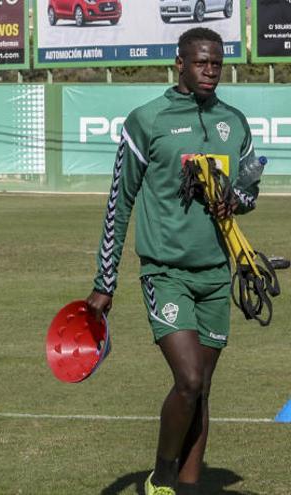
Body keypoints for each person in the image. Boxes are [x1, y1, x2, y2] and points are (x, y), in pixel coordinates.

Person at [86, 28, 264, 495]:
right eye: (202, 63)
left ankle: (186, 489)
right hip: (165, 273)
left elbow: (249, 188)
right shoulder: (147, 120)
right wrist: (105, 281)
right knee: (186, 379)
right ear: (179, 63)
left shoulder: (234, 121)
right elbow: (118, 202)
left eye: (218, 64)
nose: (211, 71)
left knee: (201, 389)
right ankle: (161, 479)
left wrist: (237, 198)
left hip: (215, 275)